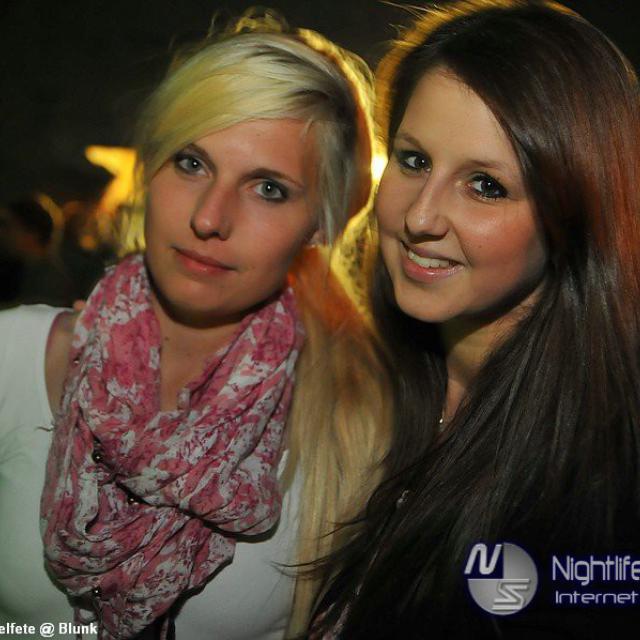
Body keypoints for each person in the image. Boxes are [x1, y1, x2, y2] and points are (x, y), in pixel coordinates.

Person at [0, 12, 390, 640]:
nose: (210, 217)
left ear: (321, 225)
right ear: (150, 168)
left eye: (268, 188)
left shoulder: (357, 429)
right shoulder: (13, 353)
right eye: (190, 163)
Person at [313, 1, 640, 638]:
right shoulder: (365, 385)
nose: (420, 217)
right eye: (413, 160)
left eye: (486, 185)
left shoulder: (604, 480)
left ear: (573, 215)